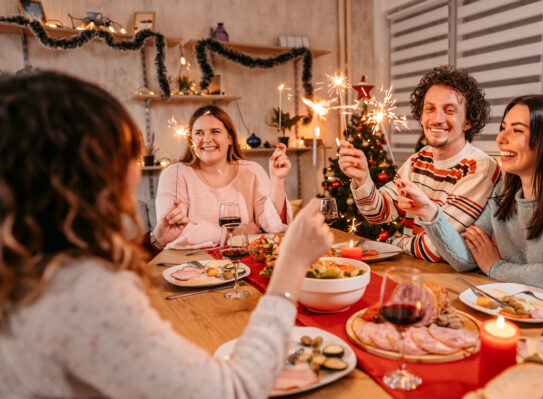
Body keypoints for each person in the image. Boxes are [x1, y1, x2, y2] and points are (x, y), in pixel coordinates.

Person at [0, 71, 334, 398]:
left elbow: (266, 221)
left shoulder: (27, 267)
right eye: (125, 154)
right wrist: (290, 266)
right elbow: (235, 389)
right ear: (85, 175)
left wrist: (155, 240)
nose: (134, 169)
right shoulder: (82, 294)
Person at [398, 94, 543, 320]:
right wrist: (431, 214)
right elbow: (467, 258)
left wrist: (495, 266)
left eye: (517, 130)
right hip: (530, 317)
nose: (501, 139)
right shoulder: (504, 192)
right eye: (503, 128)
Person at [338, 65, 501, 262]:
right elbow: (379, 213)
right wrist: (362, 178)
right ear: (421, 116)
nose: (437, 119)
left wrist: (394, 243)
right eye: (429, 109)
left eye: (450, 110)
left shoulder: (480, 168)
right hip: (417, 269)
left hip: (452, 279)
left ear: (468, 121)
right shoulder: (419, 159)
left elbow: (438, 249)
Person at [154, 105, 293, 249]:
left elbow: (274, 227)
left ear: (230, 138)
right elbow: (174, 233)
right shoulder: (175, 174)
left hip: (243, 261)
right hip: (190, 265)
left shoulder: (252, 171)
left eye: (215, 131)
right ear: (191, 141)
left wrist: (277, 180)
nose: (206, 139)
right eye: (198, 133)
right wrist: (233, 233)